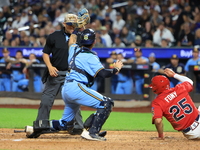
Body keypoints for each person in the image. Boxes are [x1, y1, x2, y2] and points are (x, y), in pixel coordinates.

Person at [50, 28, 123, 141]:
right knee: (106, 103)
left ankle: (39, 126)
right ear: (94, 42)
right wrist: (116, 68)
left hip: (66, 88)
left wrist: (77, 28)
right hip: (76, 88)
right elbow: (103, 74)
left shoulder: (74, 50)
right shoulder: (91, 56)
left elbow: (71, 41)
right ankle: (91, 132)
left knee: (64, 123)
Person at [26, 12, 86, 138]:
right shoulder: (54, 36)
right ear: (64, 24)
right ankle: (40, 125)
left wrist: (82, 28)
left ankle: (77, 127)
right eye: (69, 24)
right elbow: (45, 53)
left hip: (71, 75)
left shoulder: (80, 38)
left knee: (73, 100)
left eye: (74, 25)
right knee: (46, 101)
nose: (72, 27)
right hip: (55, 73)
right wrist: (50, 66)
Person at [150, 68, 200, 140]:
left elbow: (158, 121)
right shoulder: (179, 88)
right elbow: (190, 82)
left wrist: (161, 136)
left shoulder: (157, 102)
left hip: (192, 133)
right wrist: (174, 75)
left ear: (155, 88)